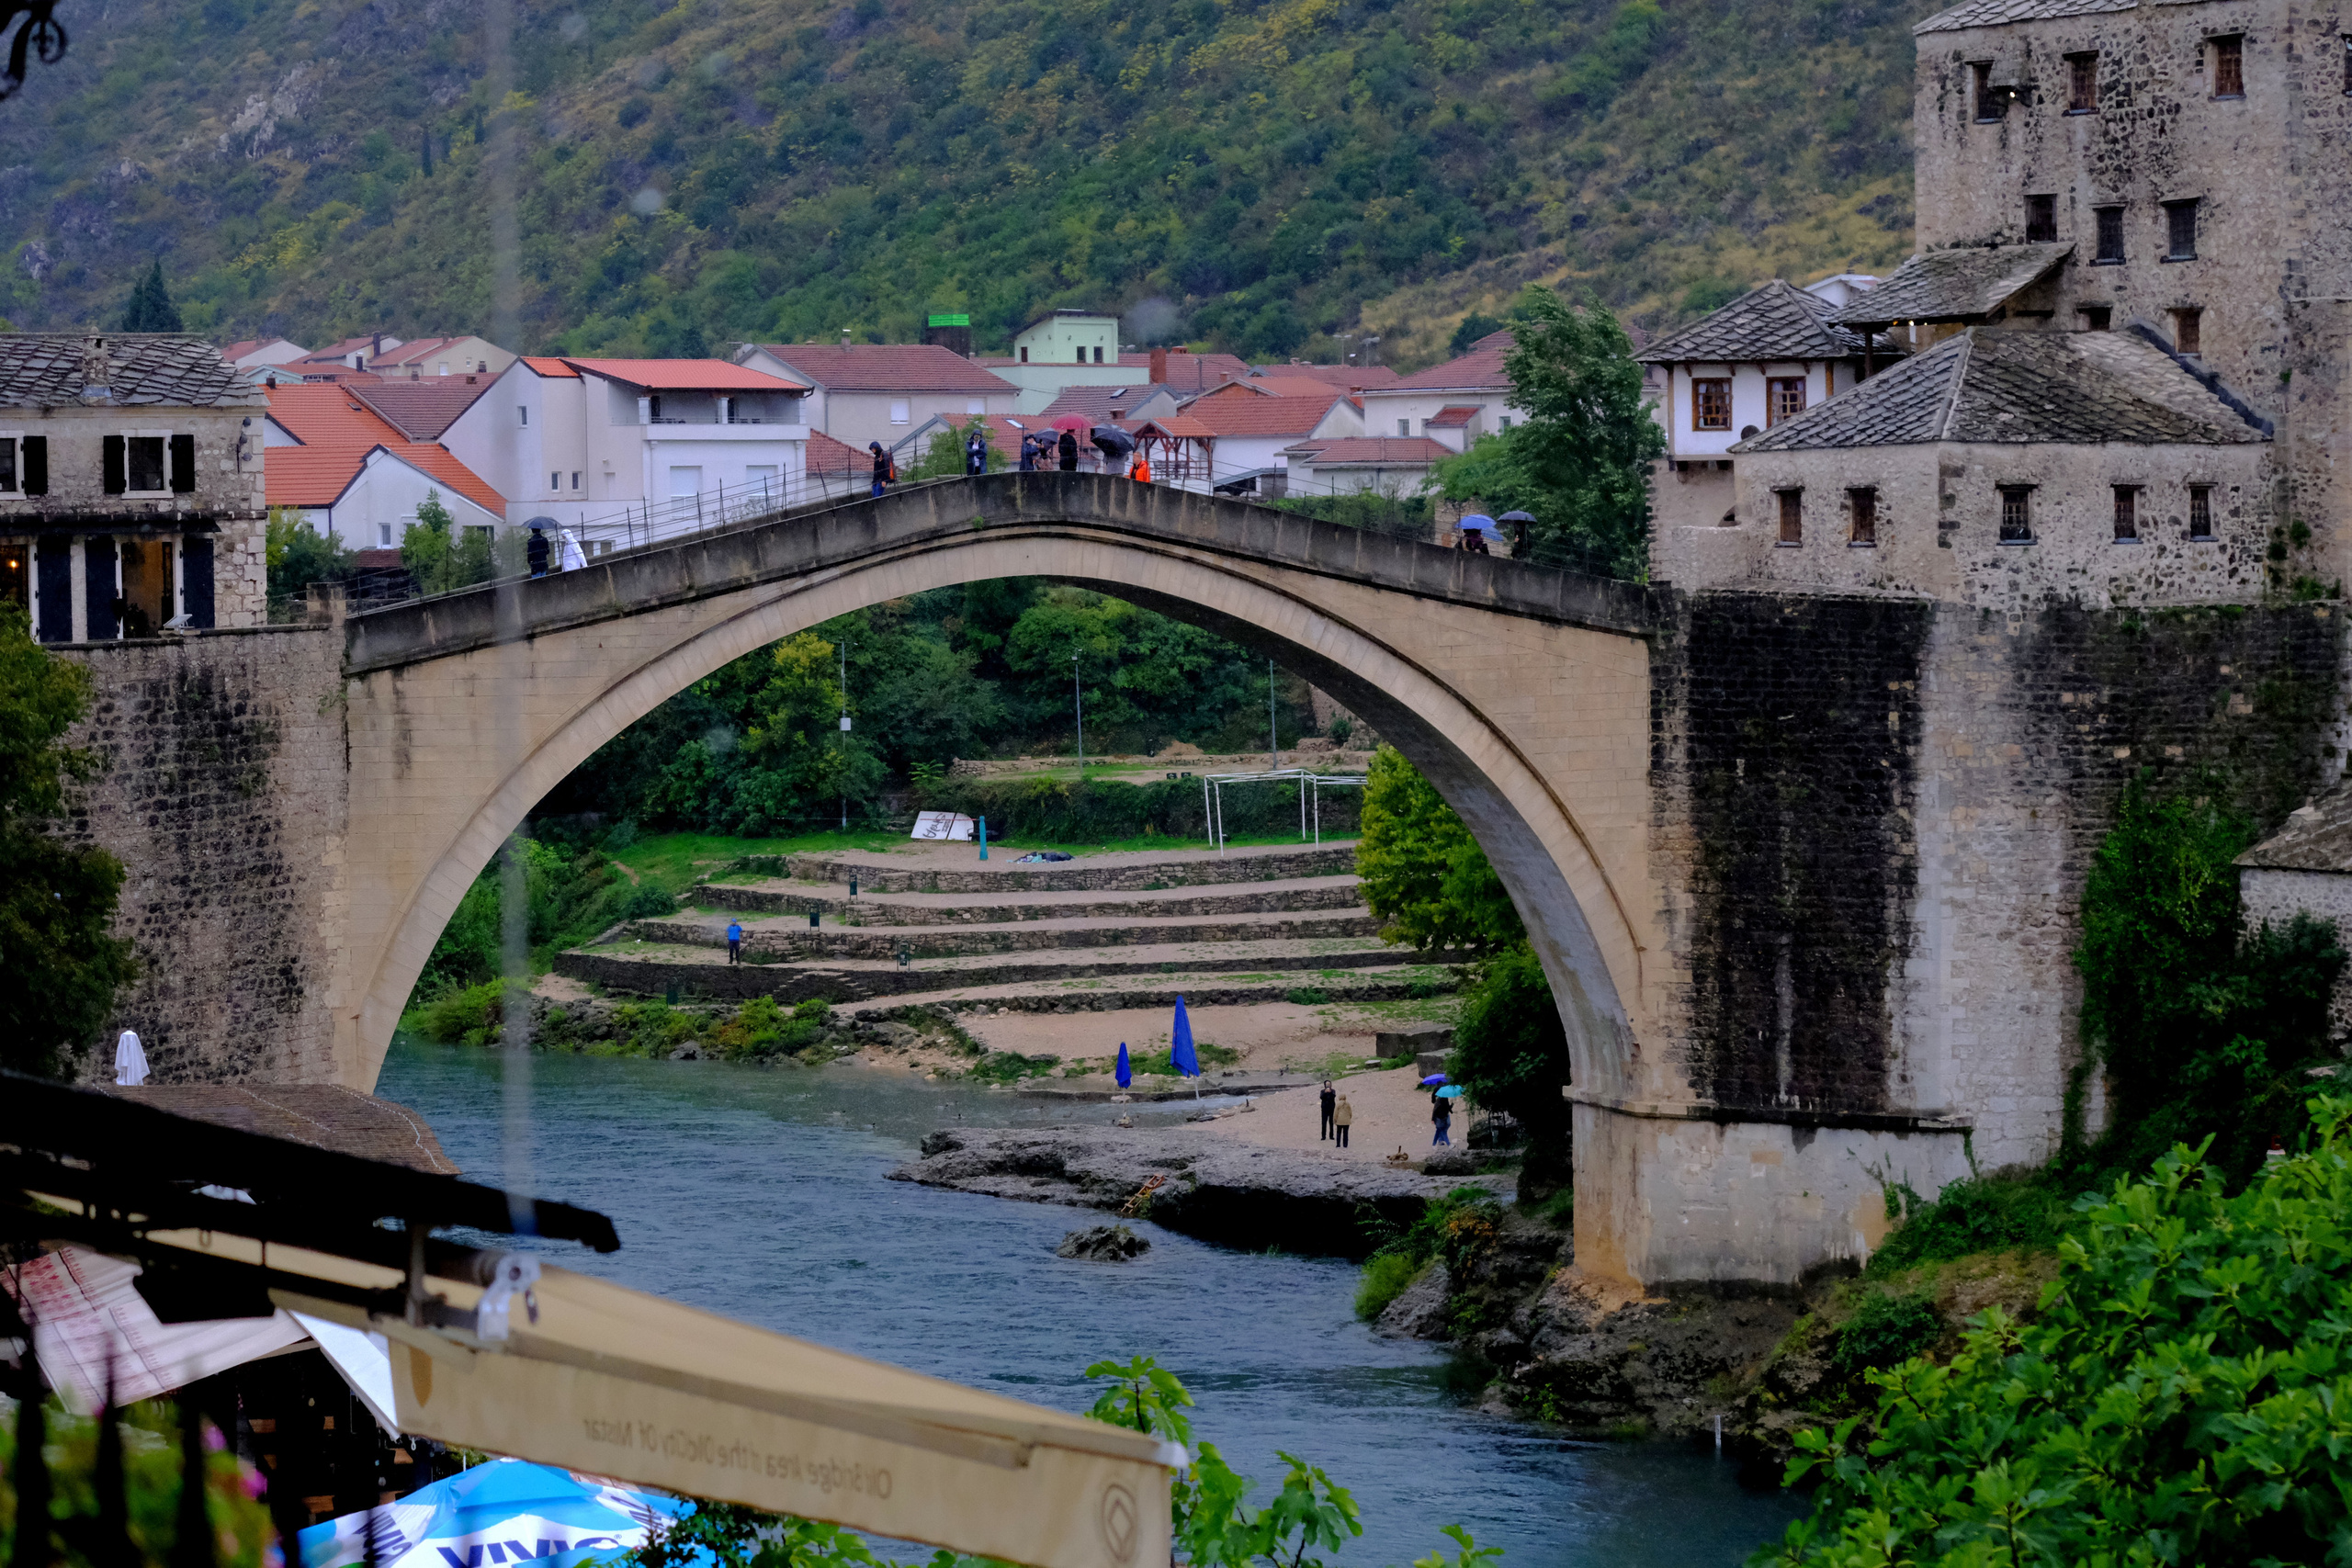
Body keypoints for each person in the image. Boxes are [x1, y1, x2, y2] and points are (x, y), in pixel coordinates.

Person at [1318, 1078, 1337, 1142]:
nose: (1328, 1085)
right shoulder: (1322, 1091)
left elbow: (1334, 1096)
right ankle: (1323, 1136)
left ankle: (1331, 1136)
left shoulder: (1333, 1090)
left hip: (1331, 1109)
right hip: (1324, 1109)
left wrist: (1330, 1092)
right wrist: (1325, 1093)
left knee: (1331, 1122)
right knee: (1324, 1123)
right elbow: (1321, 1097)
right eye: (1327, 1084)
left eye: (1329, 1084)